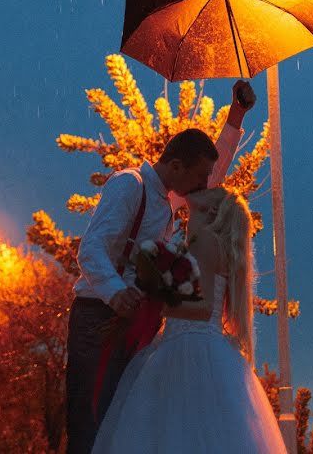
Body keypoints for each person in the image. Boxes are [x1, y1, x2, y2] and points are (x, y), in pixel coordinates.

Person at [66, 81, 256, 454]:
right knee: (91, 421)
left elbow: (214, 173)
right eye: (198, 176)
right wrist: (117, 292)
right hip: (97, 319)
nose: (204, 185)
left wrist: (236, 115)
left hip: (132, 321)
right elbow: (91, 250)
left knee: (119, 423)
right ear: (175, 165)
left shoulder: (168, 200)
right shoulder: (128, 185)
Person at [92, 187, 286, 453]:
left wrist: (156, 300)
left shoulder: (205, 240)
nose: (204, 186)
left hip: (188, 345)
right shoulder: (210, 242)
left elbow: (204, 307)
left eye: (213, 190)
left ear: (214, 210)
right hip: (197, 343)